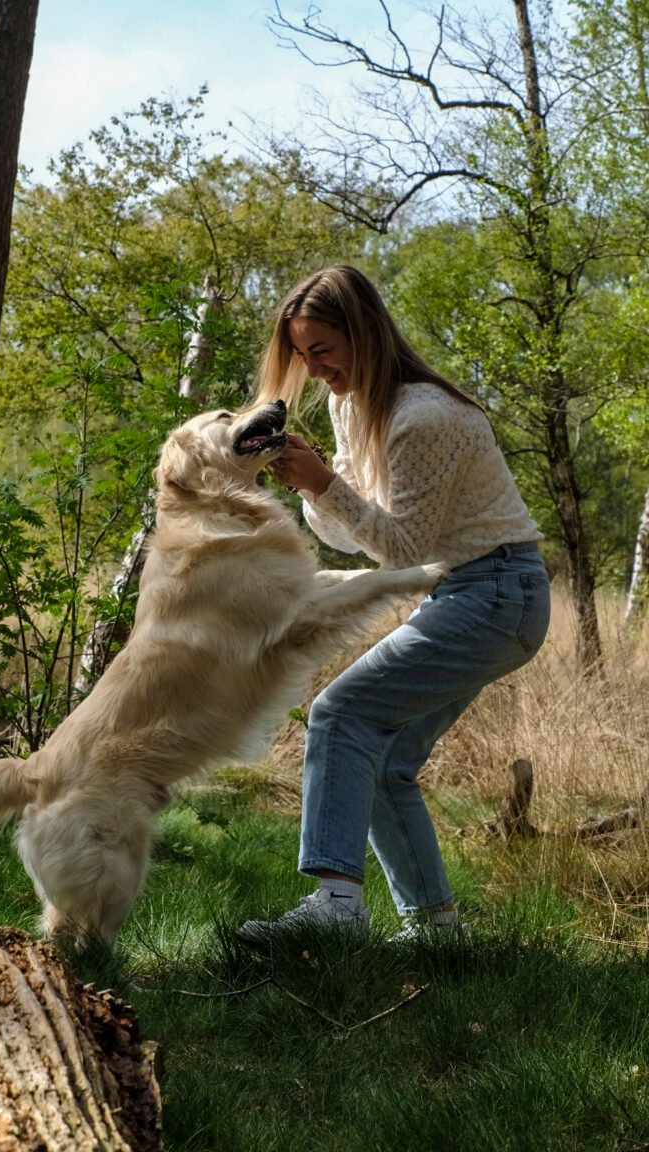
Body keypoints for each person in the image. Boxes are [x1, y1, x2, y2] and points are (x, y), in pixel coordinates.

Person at [239, 265, 550, 943]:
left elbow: (403, 551)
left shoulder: (424, 417)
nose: (315, 369)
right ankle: (438, 932)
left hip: (500, 592)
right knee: (381, 757)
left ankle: (336, 907)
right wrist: (312, 483)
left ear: (365, 334)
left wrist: (327, 485)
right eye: (301, 354)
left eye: (323, 350)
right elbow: (349, 534)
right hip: (474, 593)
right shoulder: (356, 406)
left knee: (341, 713)